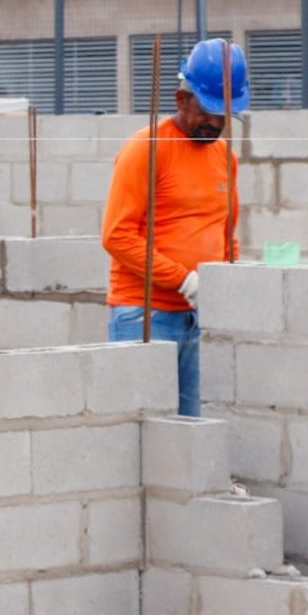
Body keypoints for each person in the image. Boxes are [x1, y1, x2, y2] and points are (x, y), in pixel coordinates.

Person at [101, 38, 248, 417]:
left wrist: (230, 283)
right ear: (181, 99)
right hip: (144, 315)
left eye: (224, 114)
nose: (216, 123)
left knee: (190, 437)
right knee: (142, 431)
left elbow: (225, 234)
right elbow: (116, 236)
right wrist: (183, 280)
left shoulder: (225, 157)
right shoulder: (146, 148)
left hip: (198, 319)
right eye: (209, 111)